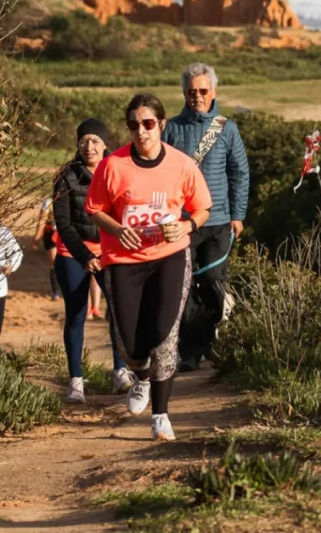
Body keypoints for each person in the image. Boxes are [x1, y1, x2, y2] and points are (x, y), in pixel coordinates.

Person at [86, 93, 212, 443]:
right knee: (129, 344)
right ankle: (140, 377)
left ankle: (161, 417)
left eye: (148, 123)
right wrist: (117, 230)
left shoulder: (181, 164)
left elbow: (202, 208)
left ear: (161, 125)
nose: (141, 131)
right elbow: (94, 209)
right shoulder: (113, 165)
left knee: (164, 335)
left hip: (169, 256)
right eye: (133, 124)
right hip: (124, 261)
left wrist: (186, 226)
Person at [163, 63, 249, 372]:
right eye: (191, 91)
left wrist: (238, 215)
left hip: (219, 222)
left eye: (202, 90)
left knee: (213, 282)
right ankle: (190, 352)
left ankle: (209, 341)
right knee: (184, 287)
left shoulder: (228, 129)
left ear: (214, 91)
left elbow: (239, 173)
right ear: (184, 93)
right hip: (182, 224)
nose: (196, 96)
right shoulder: (171, 129)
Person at [52, 118, 134, 403]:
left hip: (109, 252)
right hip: (72, 254)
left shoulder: (117, 171)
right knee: (76, 314)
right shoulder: (65, 175)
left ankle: (120, 372)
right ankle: (76, 381)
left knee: (118, 311)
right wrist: (84, 255)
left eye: (95, 141)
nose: (89, 147)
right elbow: (63, 222)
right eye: (84, 141)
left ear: (105, 144)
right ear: (77, 144)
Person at [31, 195, 61, 301]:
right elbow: (42, 221)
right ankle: (56, 291)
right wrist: (37, 237)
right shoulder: (49, 202)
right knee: (55, 263)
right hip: (51, 234)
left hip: (66, 234)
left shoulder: (70, 199)